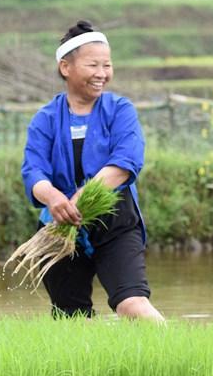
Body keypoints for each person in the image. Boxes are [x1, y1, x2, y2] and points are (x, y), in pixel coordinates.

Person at [21, 20, 163, 321]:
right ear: (65, 67)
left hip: (116, 224)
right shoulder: (45, 119)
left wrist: (79, 199)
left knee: (132, 304)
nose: (102, 74)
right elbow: (33, 171)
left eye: (107, 65)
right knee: (71, 318)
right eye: (93, 65)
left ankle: (180, 358)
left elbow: (126, 162)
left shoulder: (120, 110)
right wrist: (54, 198)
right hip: (58, 227)